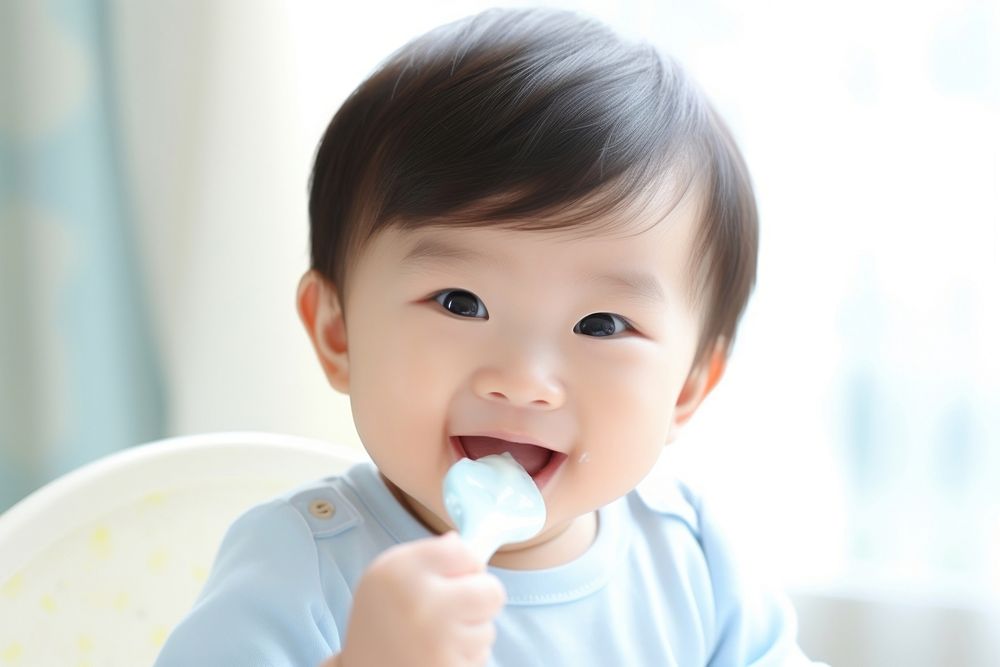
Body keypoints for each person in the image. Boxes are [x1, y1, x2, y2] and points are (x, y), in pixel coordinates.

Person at [156, 7, 826, 666]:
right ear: (339, 334)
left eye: (602, 324)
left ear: (687, 388)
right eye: (460, 302)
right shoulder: (301, 565)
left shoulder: (694, 560)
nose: (523, 378)